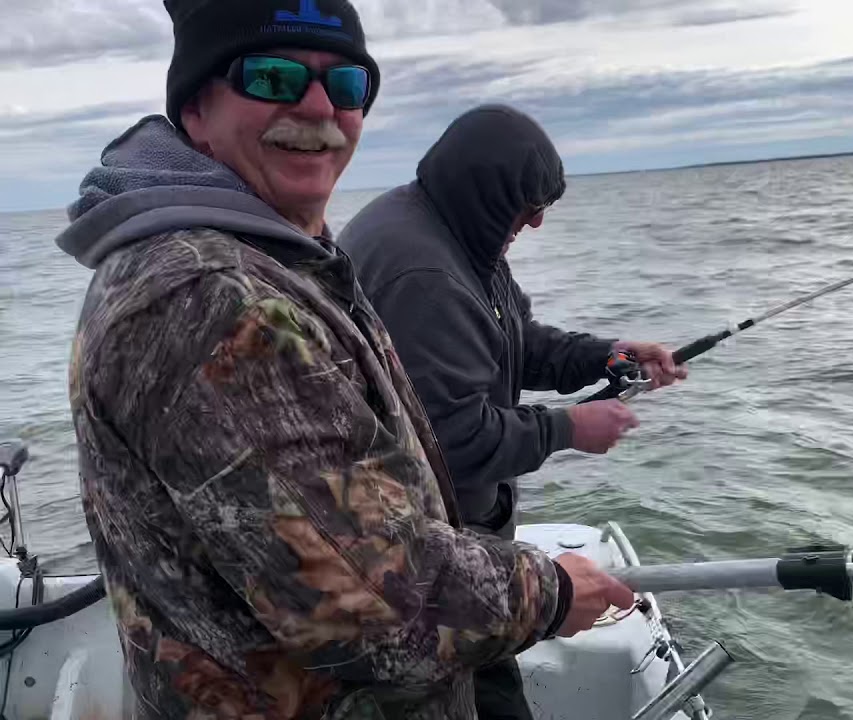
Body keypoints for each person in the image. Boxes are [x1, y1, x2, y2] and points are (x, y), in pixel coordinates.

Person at [52, 1, 633, 718]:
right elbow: (373, 606)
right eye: (274, 77)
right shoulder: (210, 297)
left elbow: (509, 340)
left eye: (347, 83)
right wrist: (555, 590)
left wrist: (600, 356)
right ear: (196, 107)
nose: (319, 106)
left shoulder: (273, 259)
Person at [336, 104, 688, 719]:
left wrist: (606, 355)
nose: (538, 221)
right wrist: (568, 428)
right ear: (485, 190)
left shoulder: (459, 232)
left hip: (457, 552)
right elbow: (450, 438)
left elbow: (513, 341)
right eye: (530, 205)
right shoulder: (423, 273)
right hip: (422, 566)